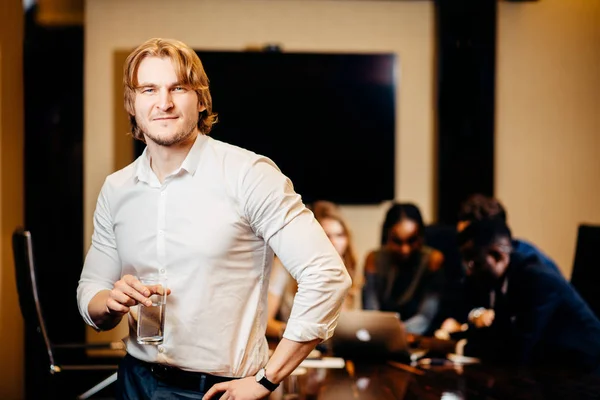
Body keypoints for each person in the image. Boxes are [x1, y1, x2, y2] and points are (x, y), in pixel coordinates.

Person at [76, 38, 351, 400]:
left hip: (217, 392)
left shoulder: (249, 175)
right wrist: (110, 301)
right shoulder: (116, 188)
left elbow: (327, 275)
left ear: (201, 98)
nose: (164, 102)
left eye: (178, 87)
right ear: (132, 102)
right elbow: (90, 290)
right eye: (149, 89)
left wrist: (267, 379)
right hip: (134, 381)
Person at [455, 218, 600, 373]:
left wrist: (463, 347)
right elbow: (498, 336)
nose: (469, 272)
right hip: (555, 371)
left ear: (498, 255)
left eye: (475, 263)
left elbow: (518, 350)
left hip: (586, 375)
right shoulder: (504, 281)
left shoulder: (536, 279)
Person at [436, 193, 563, 338]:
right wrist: (474, 315)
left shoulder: (532, 269)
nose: (463, 246)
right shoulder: (477, 263)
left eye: (469, 238)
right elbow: (461, 303)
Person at [266, 201, 359, 340]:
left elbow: (345, 325)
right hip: (293, 345)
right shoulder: (284, 265)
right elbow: (264, 323)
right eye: (327, 236)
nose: (334, 243)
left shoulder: (349, 268)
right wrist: (297, 335)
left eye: (340, 235)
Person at [362, 203, 444, 335]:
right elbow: (371, 312)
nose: (405, 249)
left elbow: (426, 316)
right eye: (397, 241)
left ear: (421, 236)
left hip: (417, 336)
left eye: (412, 241)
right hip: (380, 334)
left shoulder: (432, 260)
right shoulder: (374, 259)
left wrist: (394, 333)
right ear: (386, 236)